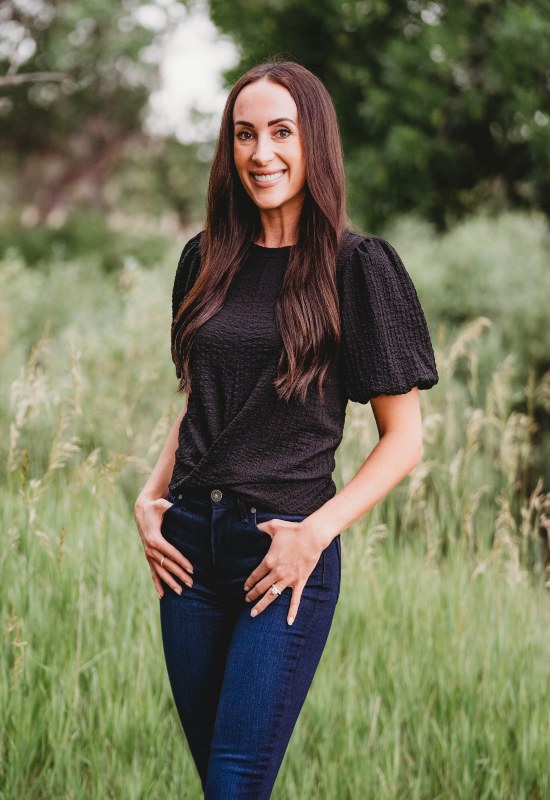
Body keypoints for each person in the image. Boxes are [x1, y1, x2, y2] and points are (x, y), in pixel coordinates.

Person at [133, 60, 439, 799]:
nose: (261, 153)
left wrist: (315, 533)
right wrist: (151, 498)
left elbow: (405, 438)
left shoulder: (357, 266)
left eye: (280, 132)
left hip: (284, 556)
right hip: (190, 557)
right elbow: (199, 402)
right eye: (244, 135)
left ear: (315, 144)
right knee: (218, 780)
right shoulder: (204, 260)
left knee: (235, 784)